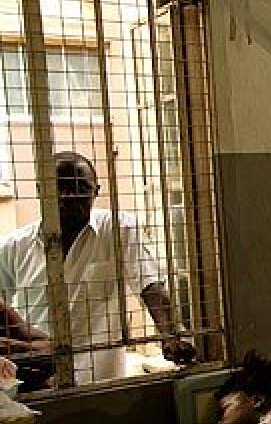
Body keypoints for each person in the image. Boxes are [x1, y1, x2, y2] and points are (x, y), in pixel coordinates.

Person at [0, 151, 196, 384]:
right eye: (57, 188)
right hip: (34, 378)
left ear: (96, 191)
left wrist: (170, 335)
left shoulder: (119, 229)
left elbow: (150, 286)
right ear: (40, 191)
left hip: (100, 379)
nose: (67, 197)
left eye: (80, 188)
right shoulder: (14, 246)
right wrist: (23, 340)